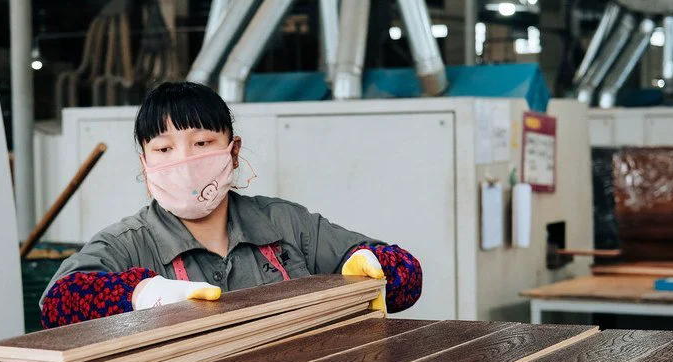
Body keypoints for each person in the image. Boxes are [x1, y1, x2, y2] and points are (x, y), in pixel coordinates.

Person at [40, 81, 422, 328]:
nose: (184, 161)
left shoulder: (286, 224)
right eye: (163, 149)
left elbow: (408, 276)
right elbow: (57, 304)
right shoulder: (126, 244)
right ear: (145, 164)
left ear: (233, 151)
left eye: (202, 143)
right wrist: (140, 294)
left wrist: (377, 269)